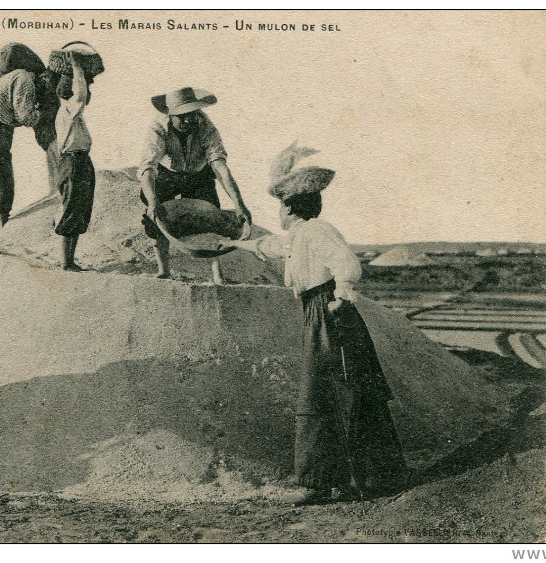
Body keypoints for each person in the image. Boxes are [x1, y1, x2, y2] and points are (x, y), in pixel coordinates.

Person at [228, 146, 410, 504]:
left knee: (324, 392)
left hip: (330, 314)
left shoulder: (316, 232)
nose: (279, 212)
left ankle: (320, 483)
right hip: (319, 312)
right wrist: (235, 243)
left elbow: (347, 265)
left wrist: (341, 296)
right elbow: (274, 247)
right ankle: (355, 478)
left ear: (291, 207)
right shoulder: (300, 236)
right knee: (336, 391)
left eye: (281, 205)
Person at [139, 87, 252, 283]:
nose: (187, 121)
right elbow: (147, 167)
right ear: (170, 115)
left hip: (198, 172)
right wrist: (152, 201)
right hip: (168, 173)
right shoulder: (158, 127)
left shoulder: (206, 128)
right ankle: (163, 270)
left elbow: (220, 167)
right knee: (155, 217)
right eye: (181, 117)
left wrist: (239, 204)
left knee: (212, 216)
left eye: (191, 115)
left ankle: (218, 275)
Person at [0, 43, 60, 228]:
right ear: (45, 77)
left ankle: (3, 216)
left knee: (2, 166)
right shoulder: (26, 79)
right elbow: (26, 116)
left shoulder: (23, 77)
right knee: (1, 168)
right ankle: (2, 218)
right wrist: (45, 113)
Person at [50, 50, 97, 271]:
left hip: (78, 162)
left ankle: (69, 261)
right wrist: (77, 67)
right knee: (72, 209)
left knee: (77, 210)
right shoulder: (68, 109)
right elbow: (80, 94)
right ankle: (66, 262)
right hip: (74, 162)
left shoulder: (69, 113)